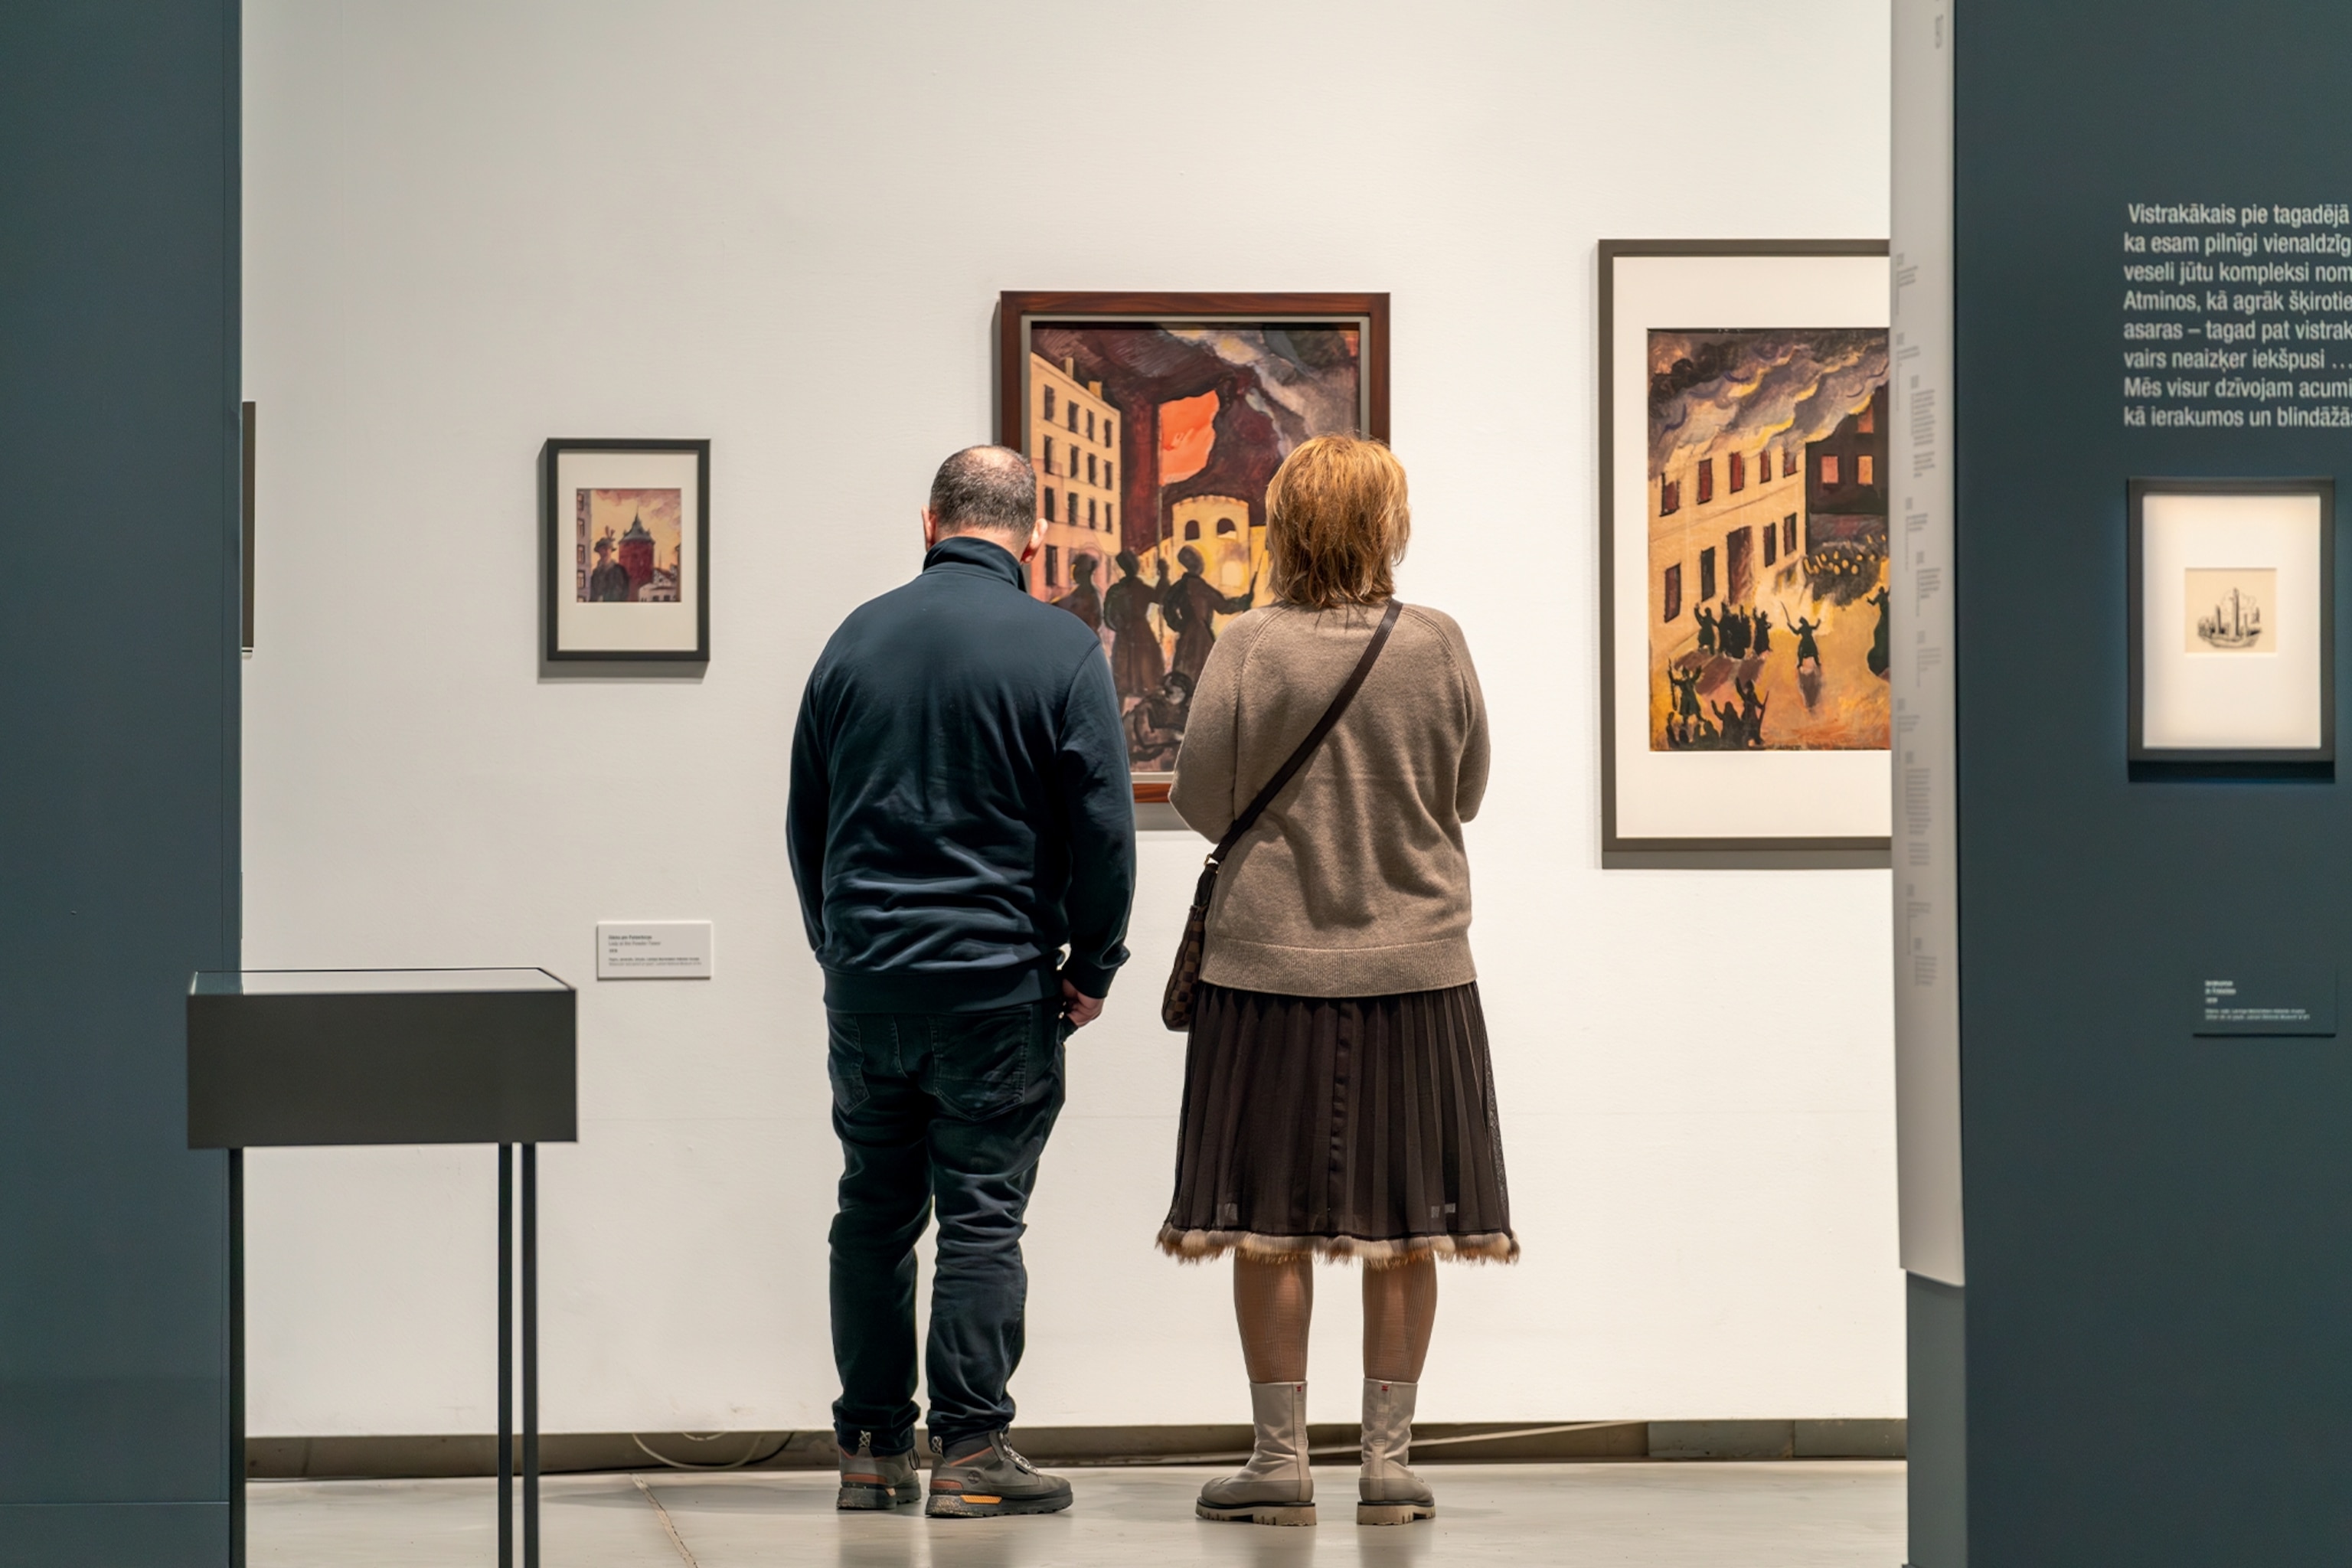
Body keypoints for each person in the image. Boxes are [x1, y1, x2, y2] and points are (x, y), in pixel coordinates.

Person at [1161, 435, 1515, 1530]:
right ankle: (1390, 1465)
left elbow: (1199, 799)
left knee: (1267, 1220)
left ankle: (1279, 1464)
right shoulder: (1438, 643)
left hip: (1266, 967)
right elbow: (1469, 791)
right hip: (1418, 966)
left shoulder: (1249, 646)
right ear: (1387, 526)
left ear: (1285, 526)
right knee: (1411, 1221)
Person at [788, 445, 1135, 1521]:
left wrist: (838, 948)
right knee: (982, 1216)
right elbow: (1103, 828)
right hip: (997, 987)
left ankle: (870, 1450)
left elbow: (808, 820)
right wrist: (1095, 963)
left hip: (873, 984)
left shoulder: (855, 637)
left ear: (927, 522)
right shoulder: (1062, 647)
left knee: (873, 1211)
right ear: (1032, 540)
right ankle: (974, 1456)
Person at [1161, 543, 1256, 686]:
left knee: (1185, 676)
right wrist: (1244, 601)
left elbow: (1167, 608)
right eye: (1198, 561)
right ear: (1195, 564)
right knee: (1204, 677)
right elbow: (1223, 606)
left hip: (1186, 636)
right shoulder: (1199, 586)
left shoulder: (1178, 587)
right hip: (1202, 636)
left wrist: (1180, 626)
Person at [1101, 550, 1167, 703]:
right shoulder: (1121, 590)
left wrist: (1164, 575)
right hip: (1133, 633)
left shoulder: (1128, 589)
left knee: (1143, 675)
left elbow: (1160, 597)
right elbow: (1109, 616)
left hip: (1135, 633)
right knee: (1128, 678)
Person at [1055, 554, 1102, 631]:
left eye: (1078, 570)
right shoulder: (1080, 592)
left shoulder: (1092, 596)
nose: (1074, 574)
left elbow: (1095, 621)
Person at [587, 533, 630, 602]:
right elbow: (593, 594)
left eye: (608, 549)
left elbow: (624, 593)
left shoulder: (620, 570)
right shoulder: (596, 573)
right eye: (603, 549)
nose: (606, 552)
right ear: (599, 551)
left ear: (611, 551)